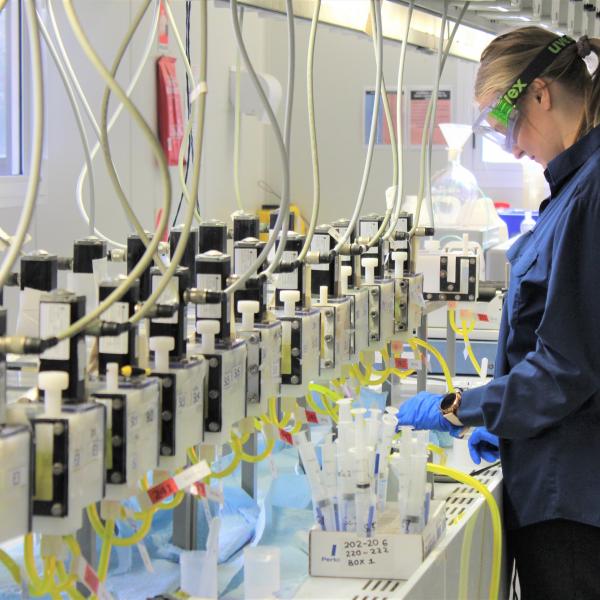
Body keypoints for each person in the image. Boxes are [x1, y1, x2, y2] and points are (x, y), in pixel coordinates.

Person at [397, 27, 600, 600]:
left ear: (539, 94)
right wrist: (504, 424)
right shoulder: (572, 188)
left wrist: (461, 407)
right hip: (556, 482)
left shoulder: (590, 194)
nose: (511, 148)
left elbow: (568, 368)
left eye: (504, 125)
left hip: (572, 505)